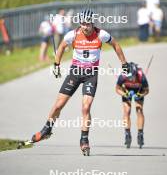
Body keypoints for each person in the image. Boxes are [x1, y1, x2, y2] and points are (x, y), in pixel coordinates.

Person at [30, 9, 129, 156]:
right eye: (82, 24)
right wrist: (56, 65)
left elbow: (116, 45)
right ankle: (46, 130)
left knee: (86, 107)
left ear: (92, 23)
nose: (85, 27)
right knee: (59, 105)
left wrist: (124, 63)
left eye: (87, 24)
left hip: (91, 74)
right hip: (75, 73)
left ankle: (84, 140)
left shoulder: (101, 34)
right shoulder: (73, 34)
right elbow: (62, 46)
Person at [116, 62, 149, 149]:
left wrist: (140, 95)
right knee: (127, 111)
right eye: (129, 78)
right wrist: (124, 94)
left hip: (139, 90)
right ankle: (127, 134)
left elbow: (147, 90)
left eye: (132, 77)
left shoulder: (141, 76)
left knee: (139, 110)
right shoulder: (122, 76)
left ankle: (140, 133)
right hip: (127, 90)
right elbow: (117, 89)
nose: (131, 79)